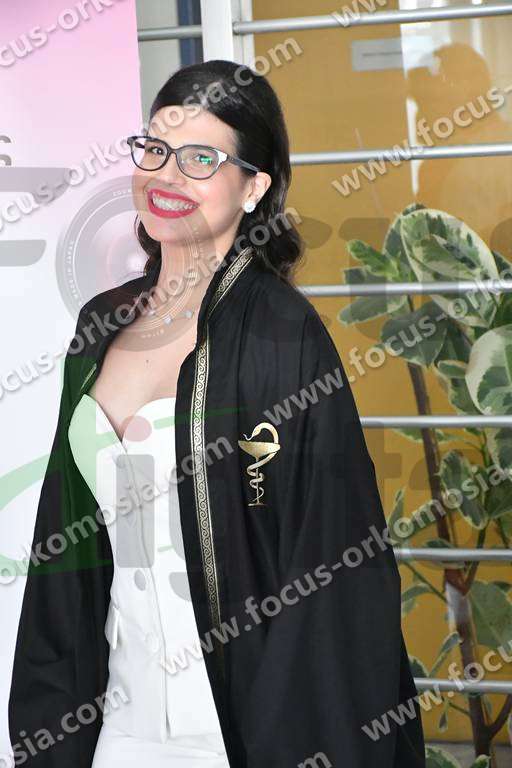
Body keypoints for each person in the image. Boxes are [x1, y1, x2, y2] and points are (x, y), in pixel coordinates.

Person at [8, 60, 426, 767]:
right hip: (117, 726)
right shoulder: (102, 323)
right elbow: (66, 549)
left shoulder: (283, 337)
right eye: (156, 149)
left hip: (242, 732)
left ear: (253, 187)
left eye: (201, 159)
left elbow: (332, 568)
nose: (166, 177)